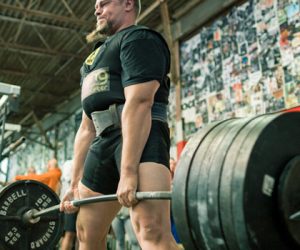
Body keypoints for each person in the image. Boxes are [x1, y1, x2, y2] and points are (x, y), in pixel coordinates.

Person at [60, 0, 179, 249]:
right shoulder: (92, 59)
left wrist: (128, 172)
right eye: (96, 5)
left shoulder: (139, 39)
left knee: (150, 230)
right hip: (102, 142)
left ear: (127, 4)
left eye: (104, 3)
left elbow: (140, 101)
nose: (96, 9)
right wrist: (73, 185)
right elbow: (86, 127)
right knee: (86, 234)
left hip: (141, 134)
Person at [60, 160, 78, 250]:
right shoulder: (70, 164)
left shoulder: (67, 164)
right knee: (69, 234)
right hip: (71, 202)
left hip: (74, 201)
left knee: (78, 235)